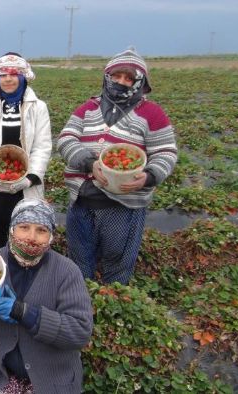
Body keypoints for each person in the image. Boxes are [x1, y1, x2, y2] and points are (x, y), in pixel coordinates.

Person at [57, 47, 178, 285]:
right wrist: (90, 164)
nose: (121, 82)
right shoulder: (88, 108)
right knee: (80, 257)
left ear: (140, 83)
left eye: (129, 78)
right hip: (83, 199)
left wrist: (148, 176)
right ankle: (81, 301)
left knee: (118, 258)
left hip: (123, 203)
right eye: (117, 76)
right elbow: (66, 138)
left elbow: (165, 152)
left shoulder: (152, 113)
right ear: (107, 76)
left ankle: (114, 298)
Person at [0, 199, 93, 394]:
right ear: (12, 229)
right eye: (24, 227)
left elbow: (80, 331)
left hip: (49, 375)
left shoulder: (66, 271)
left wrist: (24, 312)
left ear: (51, 236)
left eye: (41, 230)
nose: (31, 237)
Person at [0, 52, 52, 250]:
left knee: (25, 236)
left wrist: (29, 178)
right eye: (2, 74)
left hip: (25, 187)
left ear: (23, 76)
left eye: (13, 73)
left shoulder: (38, 108)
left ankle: (23, 278)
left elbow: (42, 146)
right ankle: (1, 277)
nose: (7, 79)